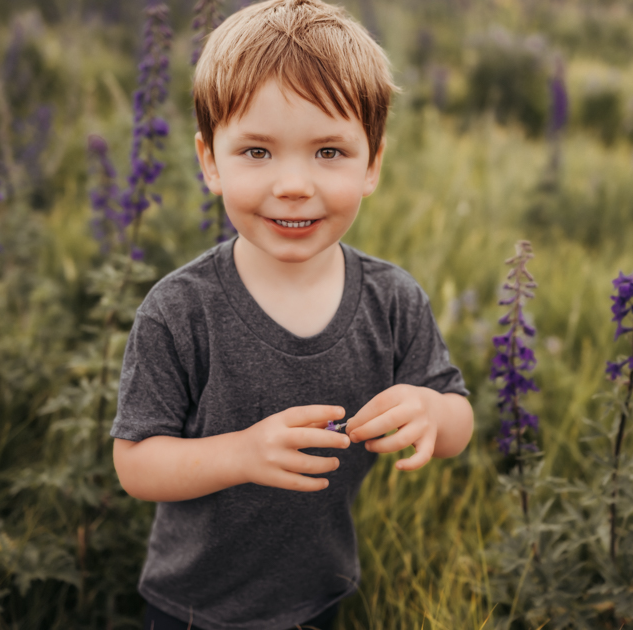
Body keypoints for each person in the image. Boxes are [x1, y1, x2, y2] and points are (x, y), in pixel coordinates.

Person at [110, 1, 474, 628]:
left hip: (317, 597)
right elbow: (137, 463)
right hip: (194, 607)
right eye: (257, 151)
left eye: (329, 152)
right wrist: (242, 454)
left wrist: (430, 413)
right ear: (210, 162)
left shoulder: (392, 301)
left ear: (373, 164)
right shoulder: (180, 310)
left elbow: (459, 418)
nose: (294, 184)